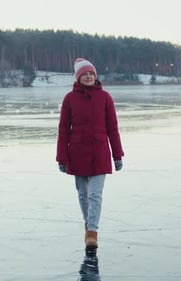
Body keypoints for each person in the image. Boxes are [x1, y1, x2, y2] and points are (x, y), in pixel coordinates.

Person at [56, 58, 124, 255]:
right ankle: (88, 224)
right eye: (84, 74)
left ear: (95, 76)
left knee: (95, 194)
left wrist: (117, 155)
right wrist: (62, 157)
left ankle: (92, 232)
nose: (88, 76)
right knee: (83, 194)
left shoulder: (105, 98)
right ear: (78, 77)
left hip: (100, 152)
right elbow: (63, 130)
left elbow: (113, 129)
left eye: (91, 73)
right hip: (77, 153)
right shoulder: (69, 99)